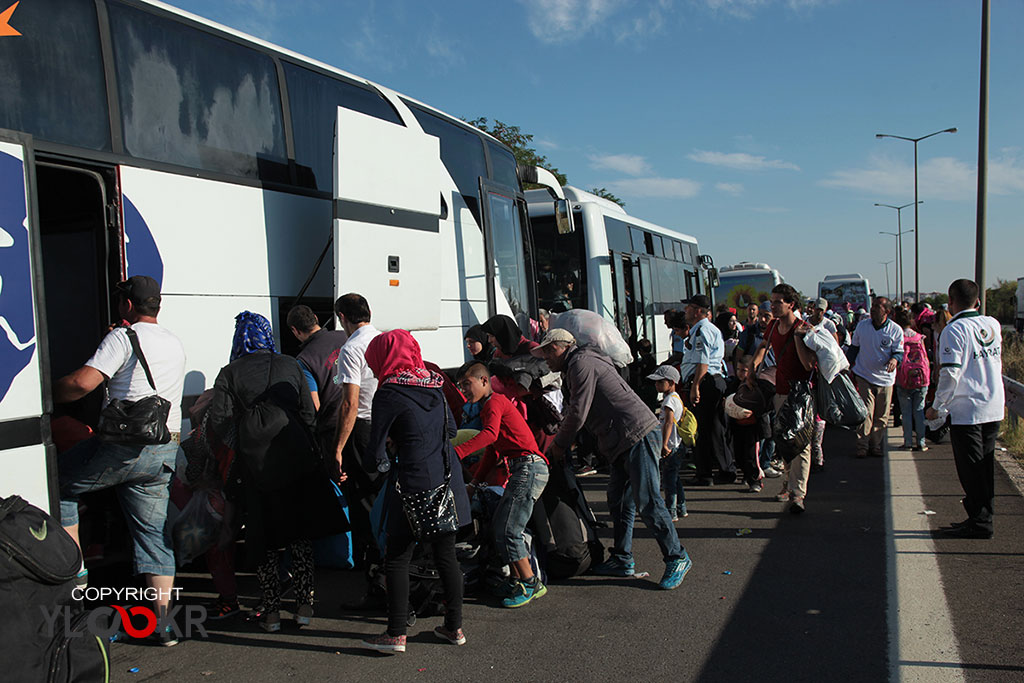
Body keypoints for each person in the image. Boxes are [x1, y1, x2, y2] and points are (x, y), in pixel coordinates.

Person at [53, 275, 185, 645]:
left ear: (128, 305)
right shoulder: (173, 341)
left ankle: (75, 592)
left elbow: (82, 383)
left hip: (122, 447)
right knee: (154, 537)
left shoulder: (121, 338)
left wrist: (47, 391)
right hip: (164, 448)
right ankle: (165, 627)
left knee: (61, 485)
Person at [208, 312, 343, 633]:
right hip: (296, 460)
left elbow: (219, 420)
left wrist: (244, 440)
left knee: (263, 538)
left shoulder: (229, 373)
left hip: (255, 466)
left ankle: (270, 612)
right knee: (300, 536)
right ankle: (304, 606)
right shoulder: (291, 364)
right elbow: (310, 413)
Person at [533, 329, 692, 590]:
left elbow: (578, 411)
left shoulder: (580, 363)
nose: (545, 359)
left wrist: (559, 445)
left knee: (648, 500)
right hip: (621, 439)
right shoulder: (578, 362)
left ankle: (677, 556)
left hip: (635, 434)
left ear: (560, 348)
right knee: (619, 501)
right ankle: (622, 557)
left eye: (547, 352)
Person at [360, 330, 469, 653]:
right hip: (446, 480)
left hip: (412, 483)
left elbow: (374, 453)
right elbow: (450, 430)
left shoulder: (390, 392)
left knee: (396, 558)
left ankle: (395, 633)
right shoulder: (433, 382)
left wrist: (388, 451)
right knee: (446, 555)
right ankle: (454, 627)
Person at [455, 363, 550, 608]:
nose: (464, 389)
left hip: (528, 467)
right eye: (461, 385)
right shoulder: (490, 405)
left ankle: (529, 582)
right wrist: (474, 484)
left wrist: (458, 452)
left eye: (467, 383)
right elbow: (492, 451)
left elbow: (490, 435)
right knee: (503, 526)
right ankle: (520, 580)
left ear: (484, 381)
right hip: (523, 467)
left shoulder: (494, 402)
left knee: (508, 529)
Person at [926, 279, 1003, 539]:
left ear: (951, 302)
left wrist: (937, 406)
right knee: (985, 466)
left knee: (970, 469)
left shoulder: (954, 329)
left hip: (967, 409)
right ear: (977, 301)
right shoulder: (992, 324)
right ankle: (981, 516)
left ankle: (980, 521)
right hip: (993, 405)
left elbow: (950, 373)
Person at [753, 284, 817, 513]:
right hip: (780, 391)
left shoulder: (804, 328)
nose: (774, 305)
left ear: (791, 304)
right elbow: (763, 345)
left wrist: (799, 339)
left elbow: (809, 364)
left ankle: (798, 494)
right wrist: (754, 366)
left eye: (778, 301)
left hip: (801, 394)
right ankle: (788, 486)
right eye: (772, 301)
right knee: (784, 441)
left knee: (800, 444)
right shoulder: (772, 326)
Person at [330, 293, 381, 566]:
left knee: (364, 497)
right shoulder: (383, 339)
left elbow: (350, 403)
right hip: (386, 423)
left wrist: (338, 448)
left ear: (343, 318)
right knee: (381, 492)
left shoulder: (351, 348)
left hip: (362, 426)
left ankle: (372, 565)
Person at [679, 295, 733, 486]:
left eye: (689, 307)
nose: (685, 311)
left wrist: (695, 386)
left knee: (702, 429)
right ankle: (721, 470)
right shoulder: (704, 329)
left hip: (705, 381)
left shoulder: (702, 330)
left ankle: (707, 474)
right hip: (710, 380)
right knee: (713, 429)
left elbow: (703, 361)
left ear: (698, 311)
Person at [849, 297, 904, 458]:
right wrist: (846, 365)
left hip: (885, 379)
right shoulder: (862, 326)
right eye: (872, 306)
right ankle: (862, 445)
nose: (872, 309)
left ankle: (876, 444)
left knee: (882, 415)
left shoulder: (895, 330)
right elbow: (854, 348)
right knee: (866, 413)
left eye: (877, 307)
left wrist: (895, 359)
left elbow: (898, 352)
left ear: (886, 311)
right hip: (864, 375)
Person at [288, 305, 348, 451]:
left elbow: (315, 403)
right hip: (362, 417)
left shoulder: (304, 360)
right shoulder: (345, 336)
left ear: (295, 330)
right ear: (315, 318)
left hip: (334, 426)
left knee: (339, 472)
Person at [725, 356, 772, 493]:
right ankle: (746, 475)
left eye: (744, 370)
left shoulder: (757, 386)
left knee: (751, 456)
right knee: (739, 454)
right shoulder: (734, 384)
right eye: (738, 369)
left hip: (753, 427)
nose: (740, 373)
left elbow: (765, 405)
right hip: (737, 425)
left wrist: (754, 410)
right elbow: (728, 398)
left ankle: (755, 480)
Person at [647, 365, 687, 520]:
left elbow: (669, 423)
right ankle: (681, 507)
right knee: (674, 478)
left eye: (660, 382)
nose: (656, 385)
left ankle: (671, 511)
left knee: (669, 481)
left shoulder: (670, 401)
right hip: (677, 445)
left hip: (671, 446)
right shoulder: (675, 398)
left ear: (671, 382)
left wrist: (663, 444)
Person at [805, 298, 838, 471]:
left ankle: (818, 458)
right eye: (815, 309)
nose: (817, 312)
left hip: (823, 378)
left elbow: (834, 349)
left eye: (820, 310)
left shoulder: (829, 326)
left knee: (819, 418)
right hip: (808, 379)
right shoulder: (803, 325)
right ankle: (810, 458)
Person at [892, 308, 930, 451]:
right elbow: (925, 357)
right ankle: (921, 442)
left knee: (906, 413)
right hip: (920, 378)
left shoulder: (897, 337)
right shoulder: (919, 337)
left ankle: (908, 442)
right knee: (919, 411)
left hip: (903, 378)